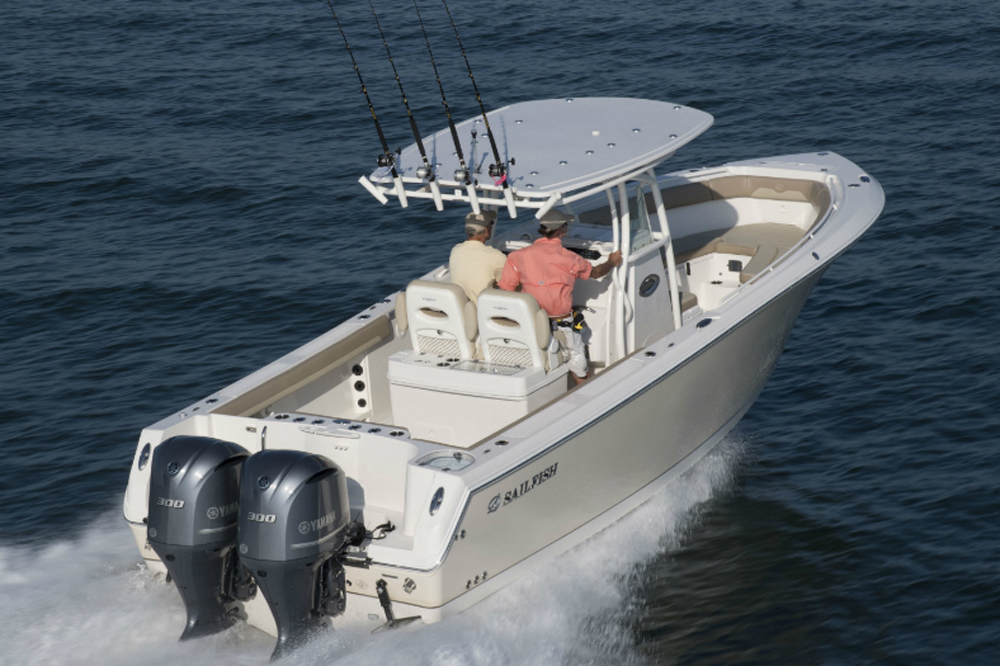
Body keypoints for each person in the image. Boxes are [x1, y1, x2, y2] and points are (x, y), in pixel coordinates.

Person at [498, 209, 622, 383]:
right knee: (578, 363)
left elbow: (506, 289)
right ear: (561, 230)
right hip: (562, 324)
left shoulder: (516, 256)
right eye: (565, 224)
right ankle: (585, 391)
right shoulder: (570, 259)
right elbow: (596, 273)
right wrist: (611, 261)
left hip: (530, 324)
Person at [449, 210, 507, 303]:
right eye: (491, 223)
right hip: (482, 311)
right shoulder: (496, 256)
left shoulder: (456, 249)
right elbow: (510, 284)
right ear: (487, 229)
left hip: (460, 308)